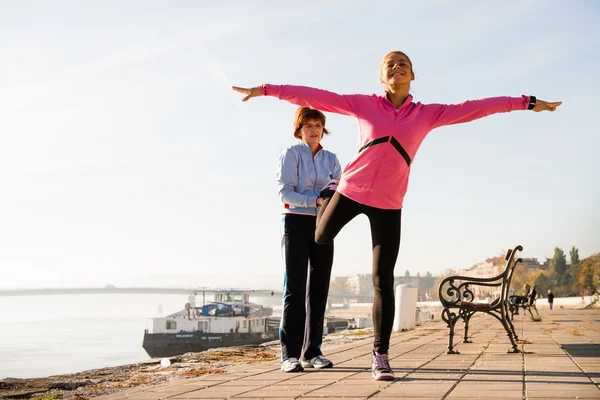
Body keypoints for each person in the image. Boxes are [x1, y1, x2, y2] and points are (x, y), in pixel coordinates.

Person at [232, 50, 561, 380]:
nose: (397, 67)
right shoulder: (364, 105)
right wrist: (265, 89)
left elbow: (477, 108)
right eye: (390, 64)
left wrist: (528, 102)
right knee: (320, 236)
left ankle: (381, 354)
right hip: (351, 191)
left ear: (412, 75)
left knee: (381, 279)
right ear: (381, 77)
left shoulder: (427, 114)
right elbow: (317, 96)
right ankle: (327, 200)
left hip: (388, 202)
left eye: (403, 63)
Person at [277, 107, 342, 373]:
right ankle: (288, 355)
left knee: (319, 289)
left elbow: (338, 187)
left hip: (324, 224)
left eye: (318, 125)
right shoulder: (291, 154)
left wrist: (328, 199)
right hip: (295, 222)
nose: (314, 129)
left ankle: (312, 352)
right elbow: (285, 192)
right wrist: (314, 200)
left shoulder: (331, 158)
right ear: (299, 129)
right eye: (308, 125)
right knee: (294, 289)